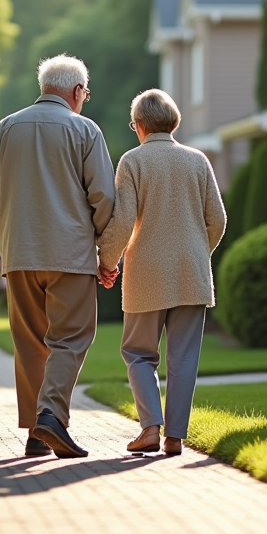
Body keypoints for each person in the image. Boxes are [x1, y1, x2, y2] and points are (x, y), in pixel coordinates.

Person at [0, 54, 116, 458]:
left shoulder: (6, 128)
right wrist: (105, 253)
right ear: (76, 91)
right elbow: (104, 197)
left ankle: (37, 435)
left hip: (19, 255)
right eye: (85, 94)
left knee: (30, 343)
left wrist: (9, 236)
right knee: (70, 338)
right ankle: (52, 417)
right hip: (70, 255)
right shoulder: (85, 130)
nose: (85, 100)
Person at [97, 89, 225, 456]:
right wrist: (199, 253)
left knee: (138, 353)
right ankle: (175, 437)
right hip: (192, 272)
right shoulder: (198, 160)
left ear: (138, 125)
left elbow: (122, 223)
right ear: (174, 121)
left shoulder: (133, 161)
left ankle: (150, 428)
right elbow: (217, 220)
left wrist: (107, 261)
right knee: (184, 358)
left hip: (147, 272)